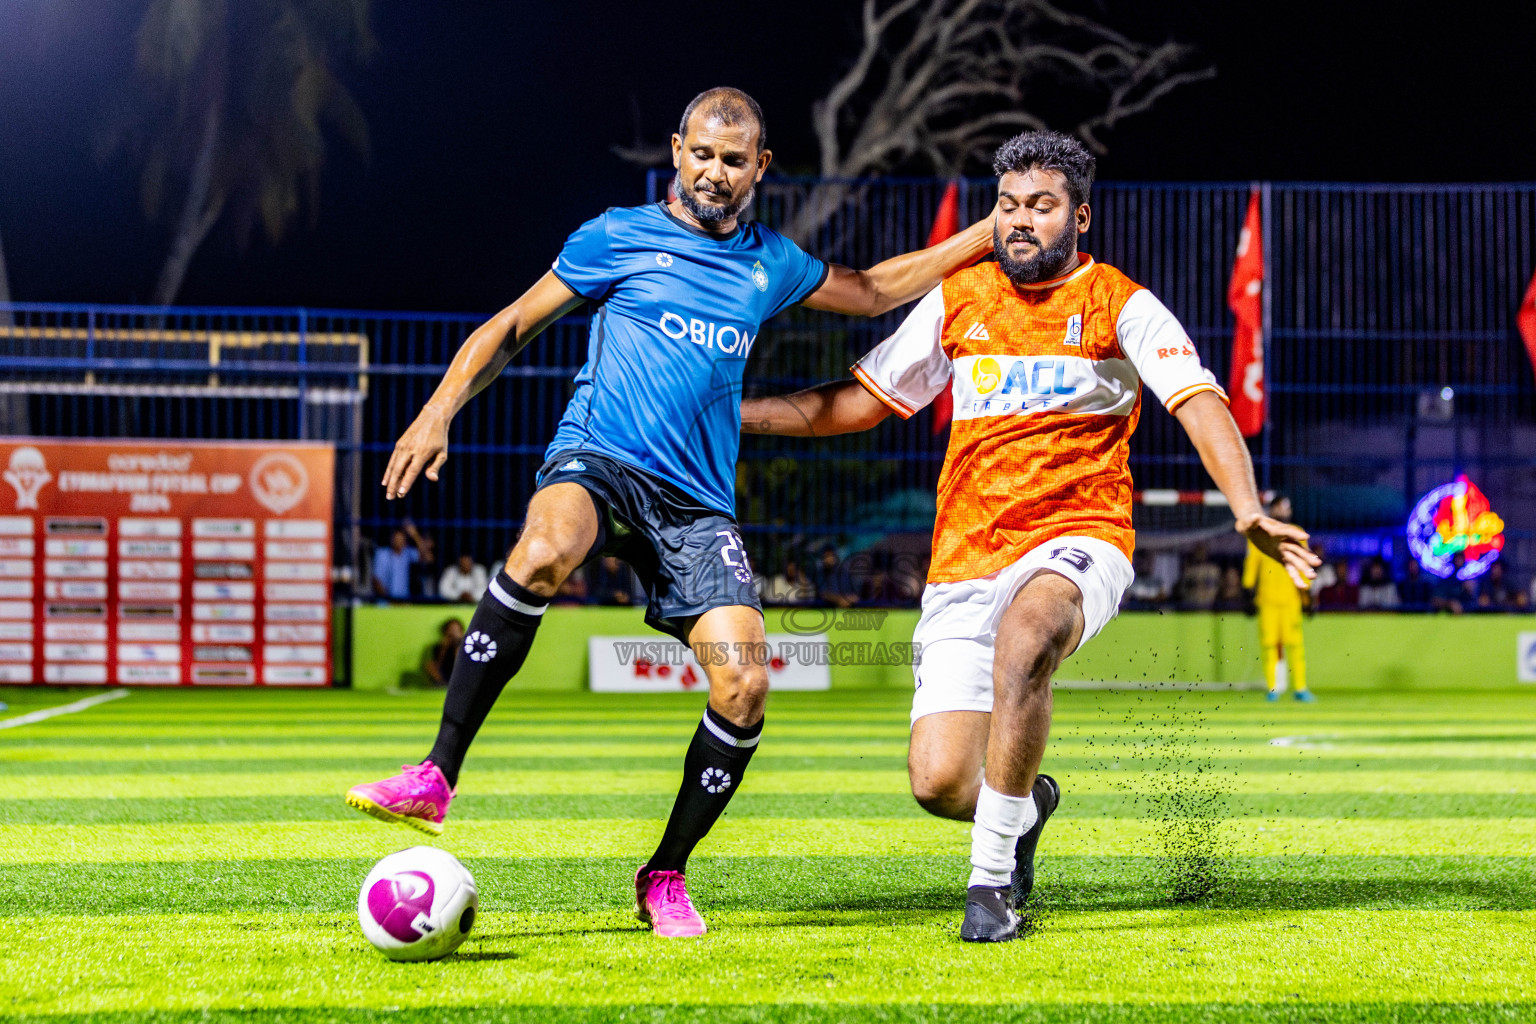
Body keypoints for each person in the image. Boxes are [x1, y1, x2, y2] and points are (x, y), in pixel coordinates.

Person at [344, 86, 997, 938]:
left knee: (746, 680)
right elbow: (511, 326)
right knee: (544, 549)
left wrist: (988, 232)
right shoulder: (616, 236)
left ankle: (665, 873)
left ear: (759, 168)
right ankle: (436, 774)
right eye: (700, 154)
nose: (713, 173)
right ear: (677, 152)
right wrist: (439, 410)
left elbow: (873, 291)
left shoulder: (771, 263)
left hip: (695, 508)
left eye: (733, 160)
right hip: (600, 461)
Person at [741, 130, 1319, 943]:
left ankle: (989, 889)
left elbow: (1198, 399)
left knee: (1030, 635)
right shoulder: (959, 299)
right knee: (940, 781)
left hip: (1081, 537)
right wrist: (738, 416)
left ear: (1078, 217)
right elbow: (862, 400)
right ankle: (1027, 805)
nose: (1021, 221)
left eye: (1041, 207)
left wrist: (1246, 507)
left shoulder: (1120, 303)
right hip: (965, 557)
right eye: (1009, 206)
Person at [1242, 494, 1313, 702]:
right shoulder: (1259, 534)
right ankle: (1273, 688)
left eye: (1287, 509)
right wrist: (1247, 591)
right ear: (1272, 510)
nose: (1285, 512)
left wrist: (1307, 596)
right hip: (1267, 600)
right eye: (1281, 508)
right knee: (1269, 645)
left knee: (1296, 645)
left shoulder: (1297, 533)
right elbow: (1251, 563)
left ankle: (1300, 687)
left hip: (1291, 600)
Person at [372, 522, 431, 601]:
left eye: (401, 540)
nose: (399, 542)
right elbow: (376, 579)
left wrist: (415, 535)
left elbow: (426, 557)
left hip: (403, 602)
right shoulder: (382, 554)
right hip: (385, 603)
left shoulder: (406, 553)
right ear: (392, 539)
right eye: (396, 539)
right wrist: (388, 599)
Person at [422, 619, 466, 687]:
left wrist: (458, 645)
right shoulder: (439, 647)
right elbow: (438, 663)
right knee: (429, 665)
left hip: (460, 674)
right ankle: (442, 685)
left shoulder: (467, 646)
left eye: (456, 630)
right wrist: (444, 648)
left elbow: (462, 664)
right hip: (445, 674)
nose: (453, 633)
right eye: (451, 630)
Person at [1176, 544, 1221, 610]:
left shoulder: (1213, 570)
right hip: (1191, 606)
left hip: (1209, 607)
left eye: (1202, 551)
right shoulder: (1188, 571)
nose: (1200, 554)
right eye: (1198, 552)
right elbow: (1183, 589)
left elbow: (1218, 588)